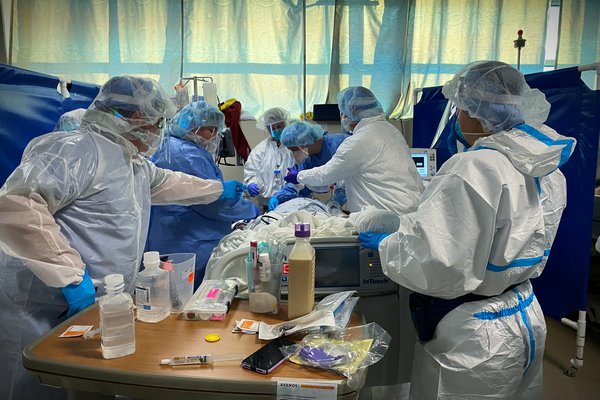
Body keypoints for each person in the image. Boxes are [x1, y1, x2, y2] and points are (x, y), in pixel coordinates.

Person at [0, 75, 245, 400]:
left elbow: (171, 184)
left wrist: (217, 189)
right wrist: (70, 278)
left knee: (88, 383)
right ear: (132, 118)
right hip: (44, 302)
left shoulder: (134, 163)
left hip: (101, 304)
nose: (160, 130)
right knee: (37, 385)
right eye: (156, 122)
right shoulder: (75, 149)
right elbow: (19, 203)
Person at [359, 60, 576, 399]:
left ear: (476, 111)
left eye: (459, 108)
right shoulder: (547, 168)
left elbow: (438, 263)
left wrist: (390, 244)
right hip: (525, 313)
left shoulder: (472, 168)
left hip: (476, 336)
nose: (457, 118)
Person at [147, 101, 259, 288]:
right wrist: (250, 209)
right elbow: (211, 203)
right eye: (209, 129)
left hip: (168, 235)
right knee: (190, 293)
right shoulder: (188, 155)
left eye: (216, 130)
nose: (214, 136)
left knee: (171, 290)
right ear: (191, 126)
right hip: (189, 238)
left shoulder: (169, 146)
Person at [283, 86, 423, 215]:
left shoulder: (359, 140)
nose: (343, 117)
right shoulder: (390, 130)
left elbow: (326, 174)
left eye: (343, 113)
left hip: (388, 213)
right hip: (407, 209)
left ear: (353, 111)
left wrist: (298, 176)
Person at [268, 120, 349, 211]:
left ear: (306, 140)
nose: (294, 154)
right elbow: (300, 185)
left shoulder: (341, 146)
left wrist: (337, 200)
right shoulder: (308, 159)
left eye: (294, 149)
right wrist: (278, 197)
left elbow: (341, 178)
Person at [243, 107, 295, 209]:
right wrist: (251, 183)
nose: (276, 130)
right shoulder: (260, 150)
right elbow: (251, 171)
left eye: (279, 126)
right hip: (267, 205)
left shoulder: (295, 147)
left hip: (292, 204)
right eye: (272, 128)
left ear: (286, 124)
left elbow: (302, 171)